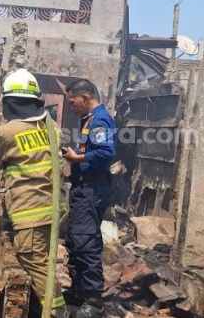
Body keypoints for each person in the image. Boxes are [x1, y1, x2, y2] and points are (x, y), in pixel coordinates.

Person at [0, 69, 66, 318]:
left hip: (30, 209)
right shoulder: (52, 127)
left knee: (34, 260)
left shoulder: (7, 132)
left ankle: (55, 313)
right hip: (53, 208)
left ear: (9, 103)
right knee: (45, 260)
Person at [62, 79, 116, 318]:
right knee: (75, 239)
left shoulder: (100, 119)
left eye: (73, 102)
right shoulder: (90, 119)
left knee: (85, 241)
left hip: (92, 189)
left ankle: (94, 302)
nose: (72, 108)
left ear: (85, 98)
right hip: (82, 189)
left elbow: (107, 152)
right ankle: (79, 291)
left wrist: (77, 159)